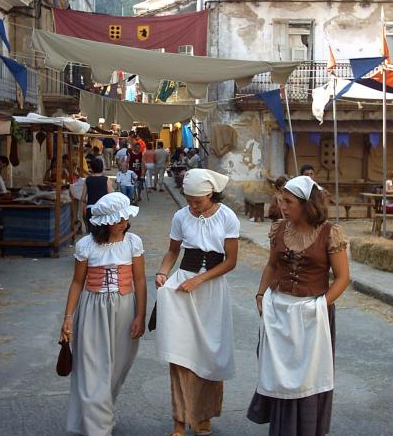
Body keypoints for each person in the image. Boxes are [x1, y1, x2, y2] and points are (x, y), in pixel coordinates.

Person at [247, 176, 350, 436]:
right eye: (281, 201)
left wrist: (320, 306)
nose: (282, 206)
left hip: (312, 312)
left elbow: (342, 278)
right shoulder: (279, 229)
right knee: (279, 371)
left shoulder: (329, 232)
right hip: (278, 310)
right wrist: (260, 294)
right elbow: (272, 265)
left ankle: (306, 429)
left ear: (307, 204)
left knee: (307, 375)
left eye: (288, 202)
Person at [155, 169, 240, 436]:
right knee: (180, 354)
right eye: (189, 200)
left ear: (211, 195)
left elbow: (231, 261)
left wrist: (200, 279)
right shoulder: (181, 216)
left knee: (210, 354)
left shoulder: (227, 217)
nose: (192, 205)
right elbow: (172, 252)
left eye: (198, 201)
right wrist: (162, 273)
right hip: (182, 287)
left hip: (212, 290)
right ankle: (179, 421)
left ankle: (203, 416)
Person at [61, 192, 147, 435]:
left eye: (125, 218)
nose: (125, 223)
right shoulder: (86, 245)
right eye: (119, 219)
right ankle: (99, 428)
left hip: (125, 308)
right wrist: (68, 317)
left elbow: (140, 280)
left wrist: (140, 315)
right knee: (93, 369)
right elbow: (77, 282)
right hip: (92, 309)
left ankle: (101, 413)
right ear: (105, 222)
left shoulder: (133, 242)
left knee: (117, 367)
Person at [81, 158, 113, 232]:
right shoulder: (106, 179)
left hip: (91, 209)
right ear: (102, 167)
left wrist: (88, 203)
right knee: (103, 233)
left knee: (91, 233)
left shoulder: (88, 179)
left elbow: (83, 198)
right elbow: (110, 196)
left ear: (91, 168)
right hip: (103, 209)